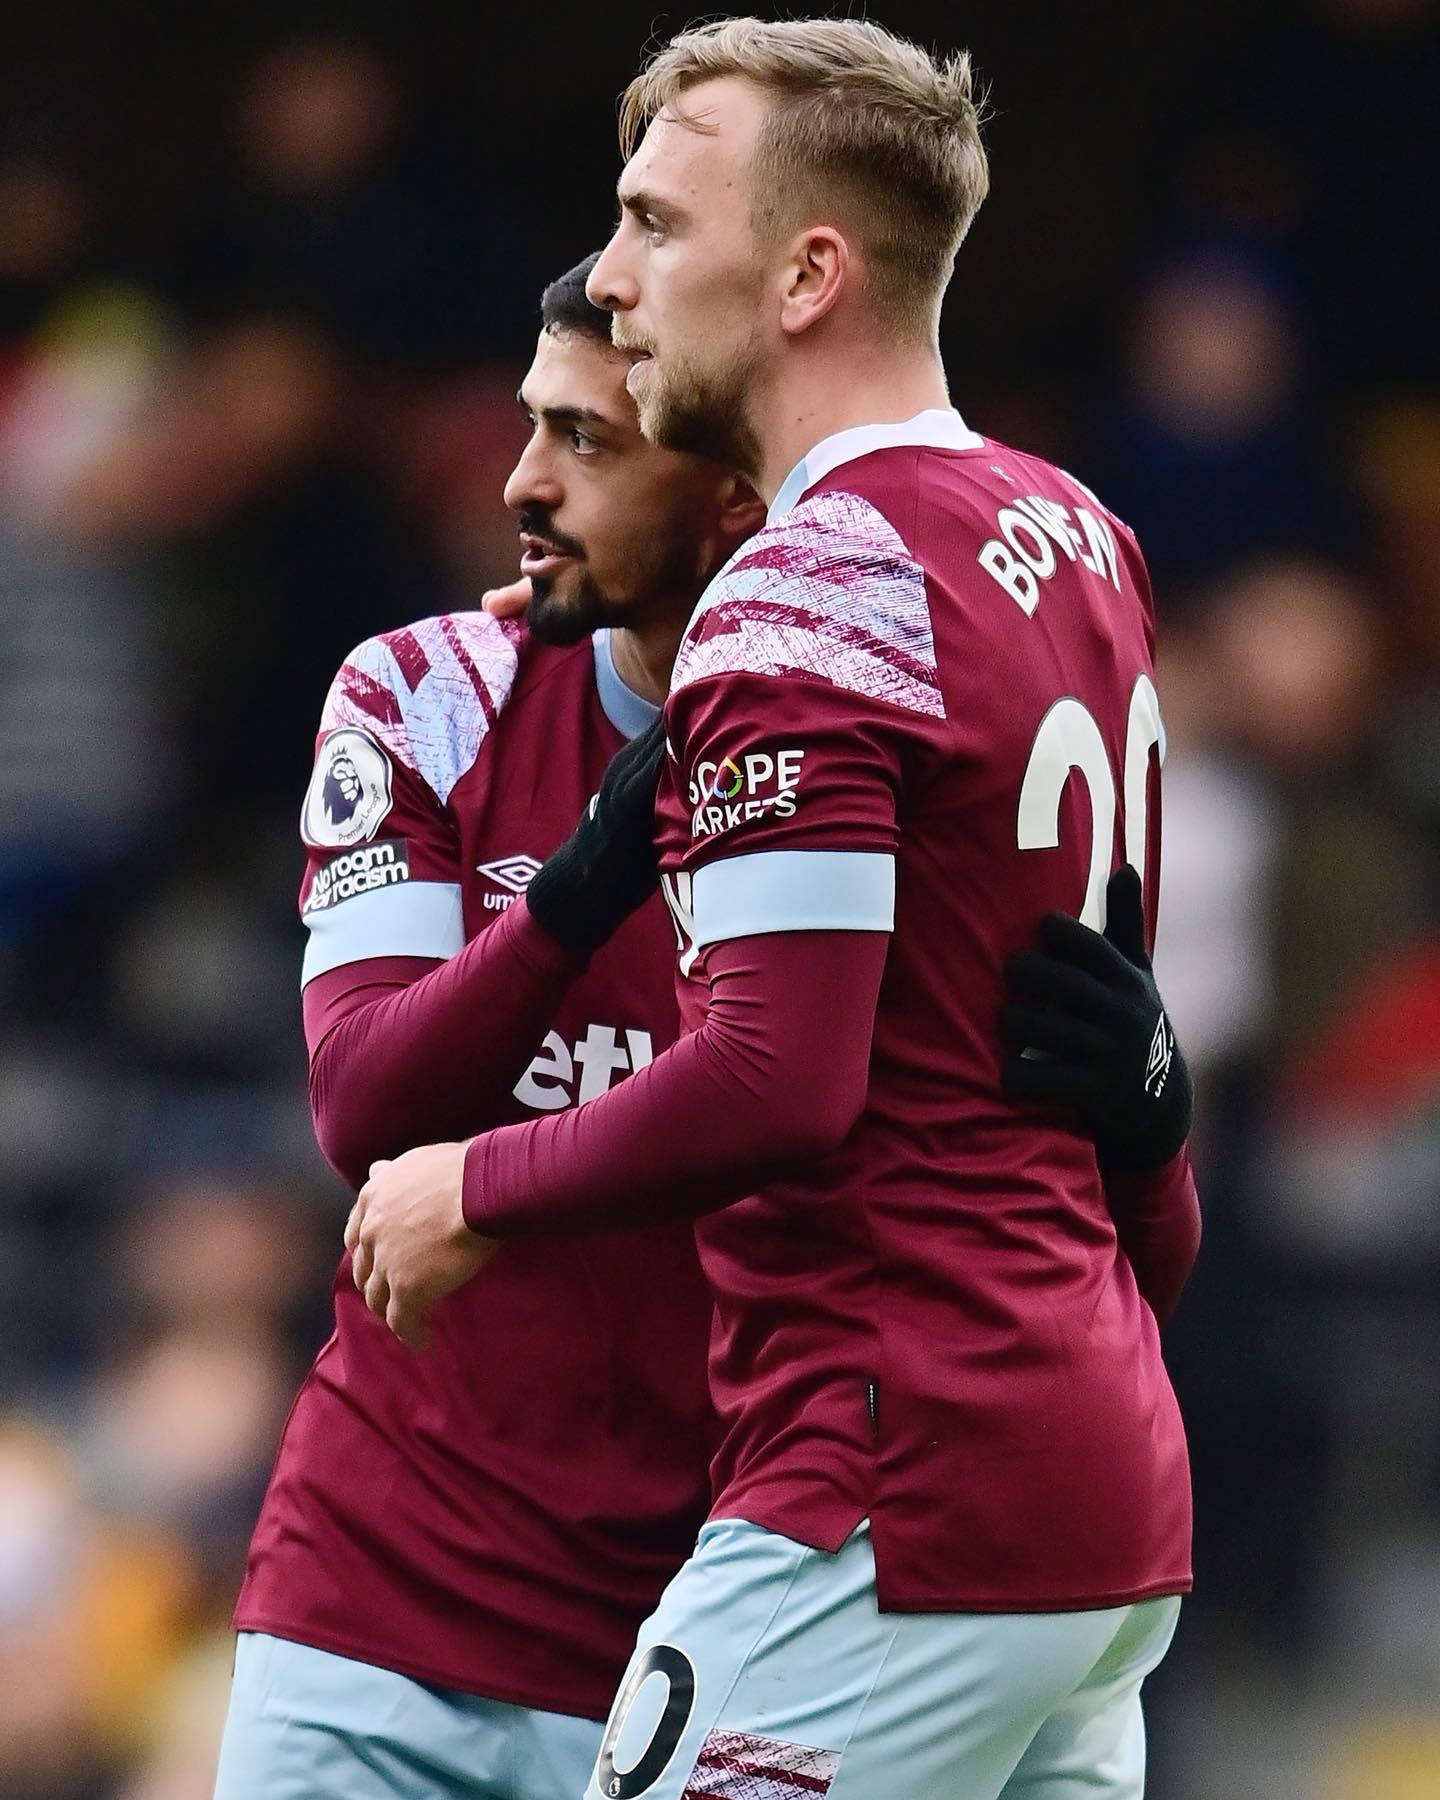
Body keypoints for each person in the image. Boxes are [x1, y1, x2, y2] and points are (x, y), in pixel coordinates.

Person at [351, 18, 1201, 1800]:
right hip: (1102, 1479)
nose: (611, 274)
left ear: (811, 272)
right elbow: (1105, 1106)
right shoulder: (1077, 534)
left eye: (659, 223)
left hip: (896, 1489)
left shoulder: (810, 583)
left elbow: (775, 1080)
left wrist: (468, 1186)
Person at [212, 256, 764, 1800]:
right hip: (375, 1606)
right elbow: (365, 1104)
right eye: (534, 425)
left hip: (719, 1638)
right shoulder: (425, 694)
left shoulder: (862, 771)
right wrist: (583, 886)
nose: (522, 482)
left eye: (587, 443)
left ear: (732, 496)